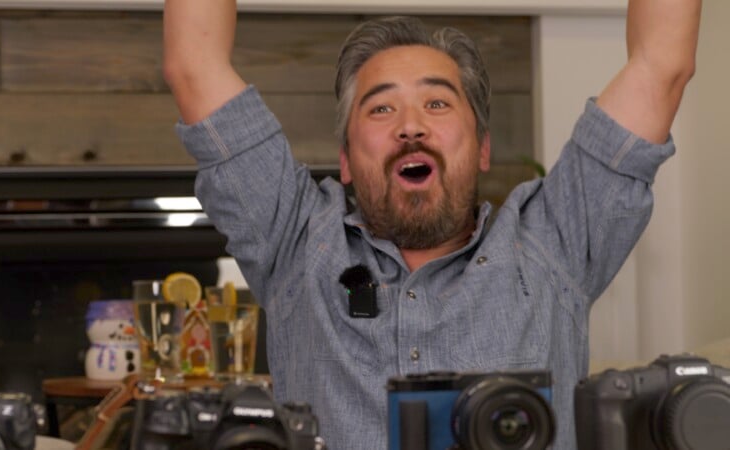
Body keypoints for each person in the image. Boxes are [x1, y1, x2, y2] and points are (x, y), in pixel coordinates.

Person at [162, 0, 701, 448]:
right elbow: (195, 65)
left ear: (483, 147)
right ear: (346, 158)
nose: (411, 127)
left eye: (437, 103)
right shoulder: (295, 241)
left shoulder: (556, 240)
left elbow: (660, 66)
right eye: (380, 110)